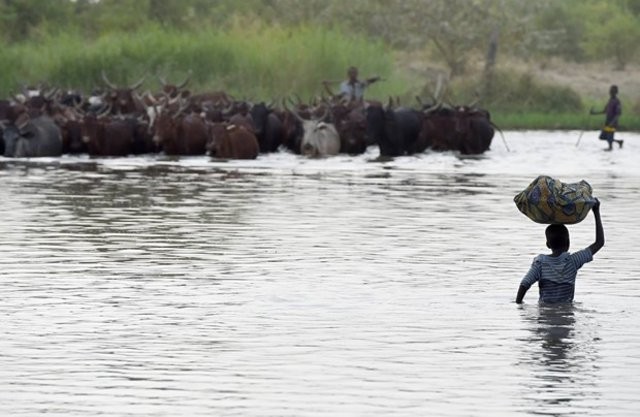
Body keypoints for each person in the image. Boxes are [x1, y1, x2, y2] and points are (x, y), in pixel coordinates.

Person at [515, 199, 604, 304]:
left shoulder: (540, 264)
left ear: (548, 244)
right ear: (568, 242)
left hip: (545, 314)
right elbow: (599, 242)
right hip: (567, 314)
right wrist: (596, 212)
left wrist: (519, 304)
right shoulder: (573, 261)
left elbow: (524, 284)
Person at [590, 85, 623, 151]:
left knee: (609, 144)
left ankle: (609, 149)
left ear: (615, 92)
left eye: (612, 91)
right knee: (602, 137)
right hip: (607, 122)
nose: (610, 92)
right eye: (610, 91)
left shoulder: (617, 101)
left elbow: (618, 114)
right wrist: (594, 113)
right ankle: (619, 142)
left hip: (612, 124)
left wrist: (612, 123)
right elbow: (604, 111)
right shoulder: (610, 100)